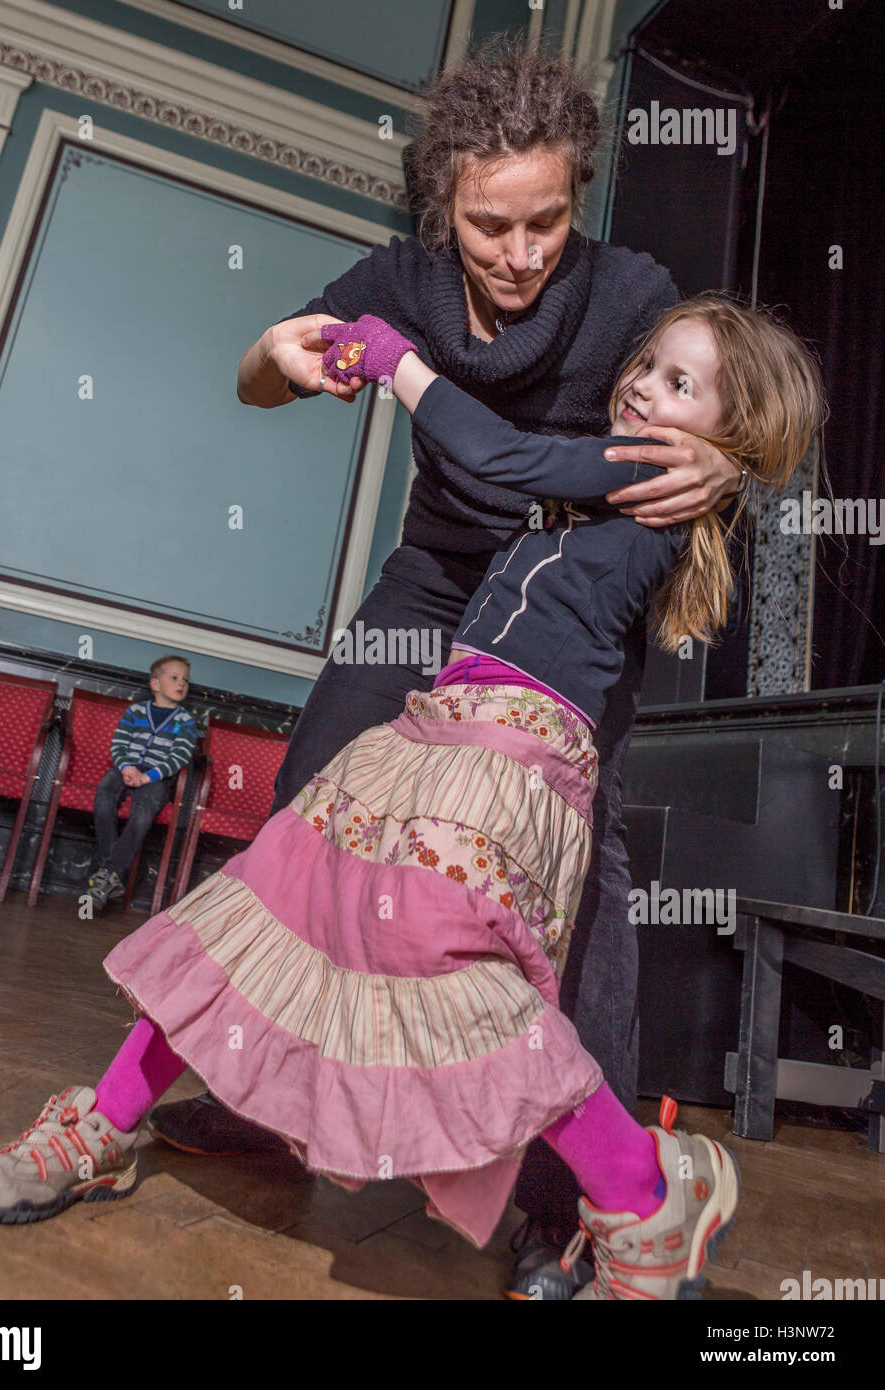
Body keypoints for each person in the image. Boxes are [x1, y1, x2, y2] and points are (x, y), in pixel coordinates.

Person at [0, 294, 825, 1301]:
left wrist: (396, 361)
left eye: (680, 386)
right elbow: (506, 467)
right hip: (427, 731)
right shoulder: (603, 477)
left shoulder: (642, 473)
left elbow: (497, 455)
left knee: (460, 987)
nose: (640, 388)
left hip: (508, 758)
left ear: (728, 433)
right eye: (646, 367)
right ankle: (101, 1123)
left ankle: (642, 1193)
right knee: (259, 907)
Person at [151, 32, 746, 1297]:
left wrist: (728, 464)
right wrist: (277, 350)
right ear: (442, 205)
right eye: (490, 226)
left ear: (575, 196)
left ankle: (557, 1200)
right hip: (431, 591)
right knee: (310, 812)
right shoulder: (403, 283)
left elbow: (722, 399)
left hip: (559, 619)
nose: (522, 253)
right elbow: (263, 378)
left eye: (545, 220)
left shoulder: (629, 288)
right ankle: (268, 1105)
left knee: (580, 883)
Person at [86, 656, 198, 912]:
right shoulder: (135, 712)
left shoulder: (186, 722)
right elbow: (119, 745)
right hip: (125, 770)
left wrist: (148, 777)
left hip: (157, 777)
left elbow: (179, 757)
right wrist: (127, 768)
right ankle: (110, 870)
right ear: (155, 684)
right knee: (104, 794)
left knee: (143, 810)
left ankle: (106, 874)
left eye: (185, 680)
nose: (181, 683)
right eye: (174, 678)